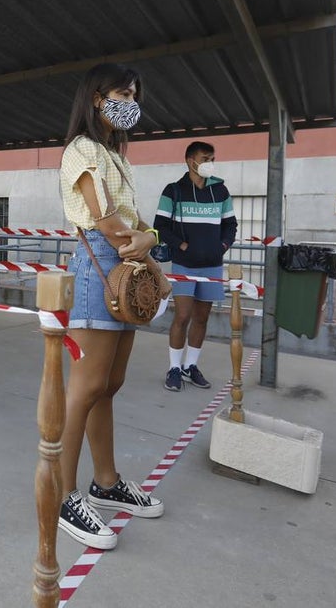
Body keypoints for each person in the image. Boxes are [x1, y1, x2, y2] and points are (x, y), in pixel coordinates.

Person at [57, 62, 164, 551]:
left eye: (135, 91)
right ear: (97, 97)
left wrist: (152, 256)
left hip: (128, 262)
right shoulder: (81, 151)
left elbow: (137, 219)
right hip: (101, 263)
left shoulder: (114, 156)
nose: (132, 99)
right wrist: (141, 242)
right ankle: (65, 495)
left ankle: (106, 481)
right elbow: (102, 217)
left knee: (109, 383)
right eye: (124, 91)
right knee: (85, 386)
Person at [153, 141, 238, 392]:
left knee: (201, 318)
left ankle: (191, 366)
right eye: (205, 158)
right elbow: (160, 225)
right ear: (190, 161)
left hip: (212, 266)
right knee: (182, 316)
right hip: (184, 265)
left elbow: (231, 225)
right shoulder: (173, 191)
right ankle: (174, 368)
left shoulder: (221, 191)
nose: (210, 163)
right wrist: (181, 246)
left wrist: (222, 247)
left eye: (213, 158)